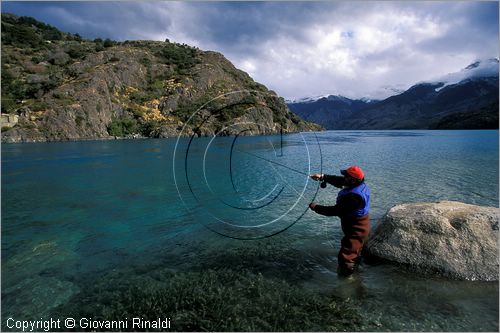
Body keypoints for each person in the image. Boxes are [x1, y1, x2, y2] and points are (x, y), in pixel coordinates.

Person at [309, 166, 370, 276]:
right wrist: (323, 177)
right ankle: (356, 273)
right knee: (354, 251)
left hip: (357, 229)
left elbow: (336, 210)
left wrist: (316, 208)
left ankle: (347, 283)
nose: (344, 178)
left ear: (353, 179)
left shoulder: (354, 197)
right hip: (357, 226)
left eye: (346, 176)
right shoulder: (358, 184)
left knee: (346, 257)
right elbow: (339, 180)